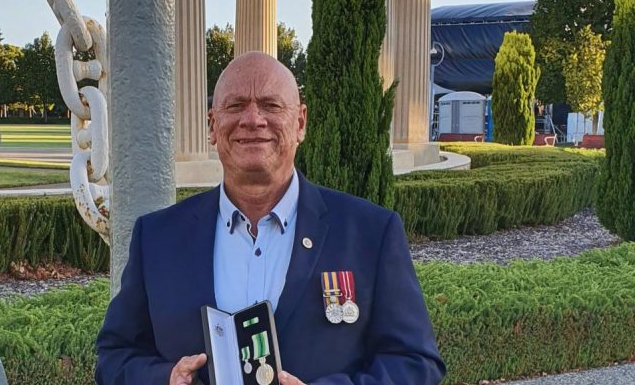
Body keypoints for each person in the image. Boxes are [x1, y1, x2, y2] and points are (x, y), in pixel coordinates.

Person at [96, 51, 446, 385]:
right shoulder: (157, 237)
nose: (252, 119)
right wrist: (163, 379)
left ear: (300, 123)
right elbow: (115, 356)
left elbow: (415, 362)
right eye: (235, 106)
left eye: (271, 105)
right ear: (213, 126)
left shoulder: (370, 232)